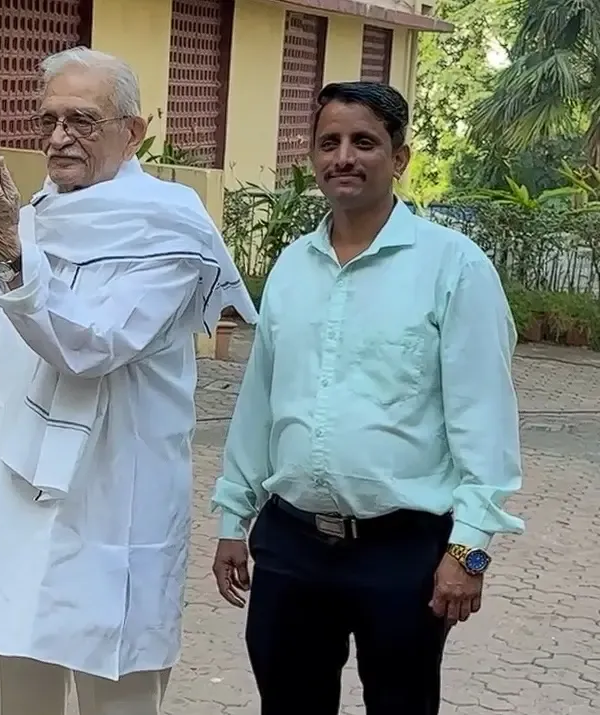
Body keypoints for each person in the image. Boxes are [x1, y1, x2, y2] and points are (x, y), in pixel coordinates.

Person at [0, 47, 257, 715]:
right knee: (20, 688)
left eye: (82, 120)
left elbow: (94, 344)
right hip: (19, 488)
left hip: (117, 495)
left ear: (133, 130)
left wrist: (13, 253)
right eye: (50, 119)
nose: (60, 137)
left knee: (117, 689)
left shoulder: (171, 226)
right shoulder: (35, 216)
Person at [210, 81, 525, 715]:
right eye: (329, 143)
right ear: (313, 157)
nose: (343, 157)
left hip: (403, 552)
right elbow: (260, 404)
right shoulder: (292, 267)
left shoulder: (453, 267)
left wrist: (468, 550)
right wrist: (231, 520)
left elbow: (484, 420)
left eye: (364, 142)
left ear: (400, 158)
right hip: (291, 544)